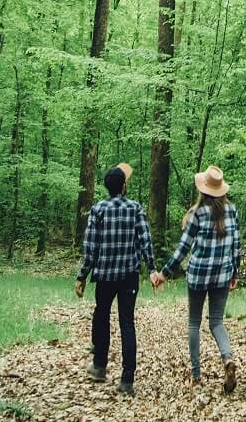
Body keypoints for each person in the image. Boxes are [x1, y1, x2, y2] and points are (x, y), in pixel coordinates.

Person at [151, 164, 241, 393]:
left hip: (199, 275)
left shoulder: (197, 214)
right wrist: (235, 273)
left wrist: (164, 273)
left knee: (194, 323)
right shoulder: (232, 211)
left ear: (203, 190)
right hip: (222, 273)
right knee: (217, 322)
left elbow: (183, 250)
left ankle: (196, 374)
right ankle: (227, 358)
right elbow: (236, 246)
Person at [75, 161, 155, 396]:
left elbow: (90, 247)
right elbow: (145, 241)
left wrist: (82, 275)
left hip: (105, 275)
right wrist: (151, 269)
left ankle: (99, 366)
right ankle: (127, 380)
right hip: (129, 276)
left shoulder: (98, 209)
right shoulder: (135, 208)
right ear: (123, 186)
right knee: (126, 322)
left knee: (101, 315)